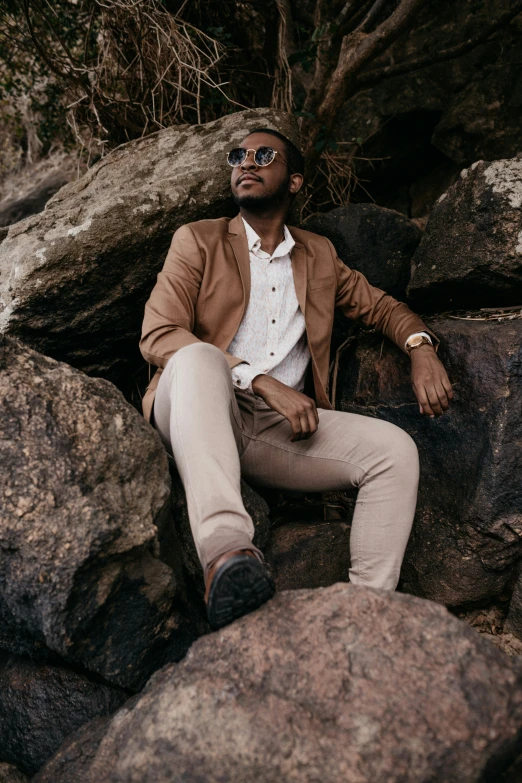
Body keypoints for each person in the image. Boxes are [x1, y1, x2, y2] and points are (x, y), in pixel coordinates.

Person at [140, 128, 453, 630]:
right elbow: (158, 334)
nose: (246, 162)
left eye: (264, 155)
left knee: (394, 451)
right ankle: (226, 558)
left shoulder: (319, 255)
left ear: (295, 181)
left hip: (272, 433)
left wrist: (420, 347)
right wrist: (261, 380)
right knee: (199, 358)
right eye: (237, 155)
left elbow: (384, 308)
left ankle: (364, 617)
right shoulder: (197, 240)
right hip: (195, 404)